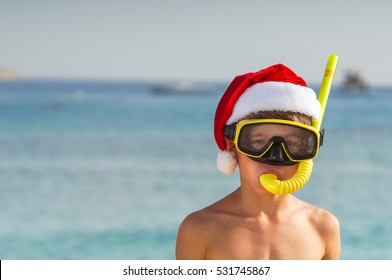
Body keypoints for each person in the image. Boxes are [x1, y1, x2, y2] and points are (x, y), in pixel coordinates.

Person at [176, 64, 340, 260]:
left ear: (309, 150)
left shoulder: (323, 227)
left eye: (293, 144)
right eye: (259, 142)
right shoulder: (200, 229)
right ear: (232, 145)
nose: (275, 156)